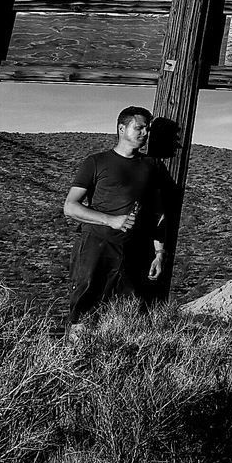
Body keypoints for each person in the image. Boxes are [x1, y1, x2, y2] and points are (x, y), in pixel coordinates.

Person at [63, 105, 167, 329]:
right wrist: (111, 220)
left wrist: (159, 253)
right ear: (122, 128)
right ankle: (75, 360)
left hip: (134, 252)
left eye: (147, 129)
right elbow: (70, 207)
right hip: (96, 246)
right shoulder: (97, 162)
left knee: (128, 316)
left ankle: (114, 361)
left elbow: (158, 215)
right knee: (84, 312)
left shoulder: (152, 167)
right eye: (139, 128)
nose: (145, 133)